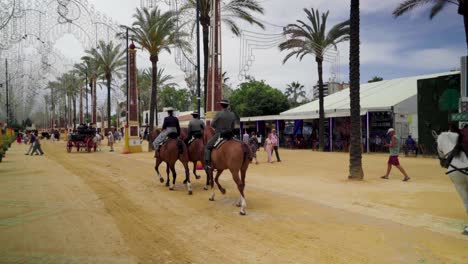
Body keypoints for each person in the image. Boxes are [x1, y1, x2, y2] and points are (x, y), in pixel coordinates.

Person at [204, 99, 236, 170]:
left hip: (220, 134)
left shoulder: (219, 114)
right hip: (230, 135)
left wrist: (217, 128)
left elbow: (212, 124)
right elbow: (233, 126)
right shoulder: (232, 114)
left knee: (207, 147)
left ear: (221, 105)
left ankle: (207, 164)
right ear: (228, 106)